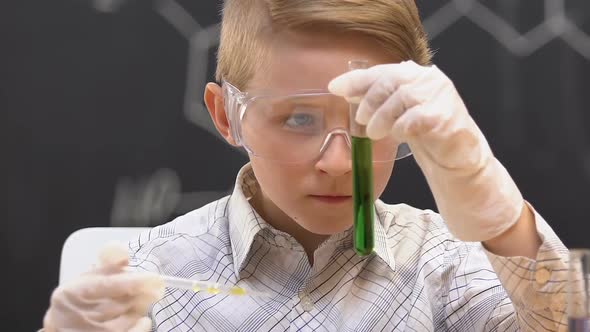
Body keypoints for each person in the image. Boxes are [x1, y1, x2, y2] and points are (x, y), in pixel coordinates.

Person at [42, 0, 570, 331]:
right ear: (227, 117)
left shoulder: (445, 267)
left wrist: (502, 218)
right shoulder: (143, 281)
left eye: (369, 118)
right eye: (298, 119)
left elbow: (569, 323)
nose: (340, 162)